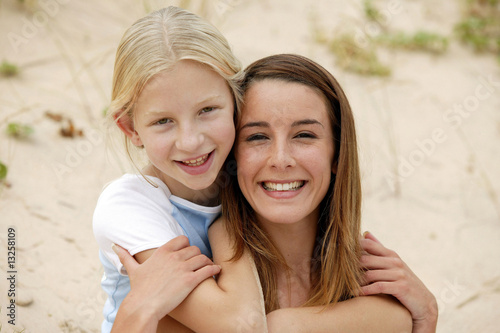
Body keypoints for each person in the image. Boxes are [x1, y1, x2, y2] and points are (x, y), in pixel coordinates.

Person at [112, 54, 438, 332]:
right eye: (257, 137)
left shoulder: (369, 275)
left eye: (305, 135)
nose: (281, 160)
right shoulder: (196, 284)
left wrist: (423, 313)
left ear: (337, 154)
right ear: (233, 155)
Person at [93, 6, 266, 332]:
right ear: (130, 128)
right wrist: (227, 225)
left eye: (208, 109)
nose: (190, 141)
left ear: (236, 99)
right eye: (163, 121)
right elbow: (239, 325)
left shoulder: (253, 175)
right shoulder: (126, 205)